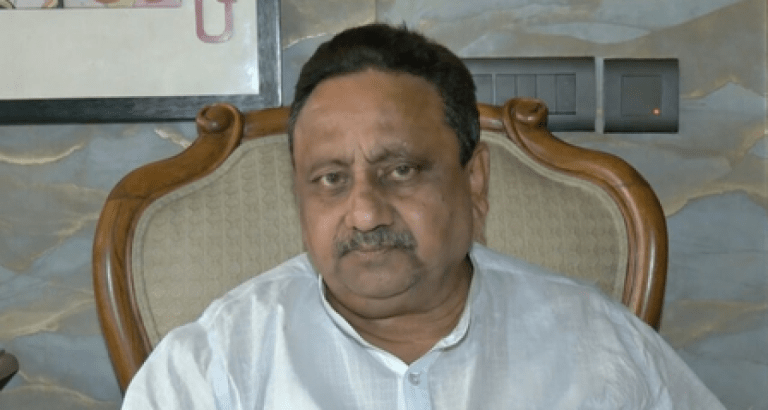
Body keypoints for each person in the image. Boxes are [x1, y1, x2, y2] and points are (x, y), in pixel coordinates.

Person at [121, 23, 725, 409]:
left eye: (402, 170)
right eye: (331, 179)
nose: (364, 214)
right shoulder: (212, 369)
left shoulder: (598, 346)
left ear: (475, 181)